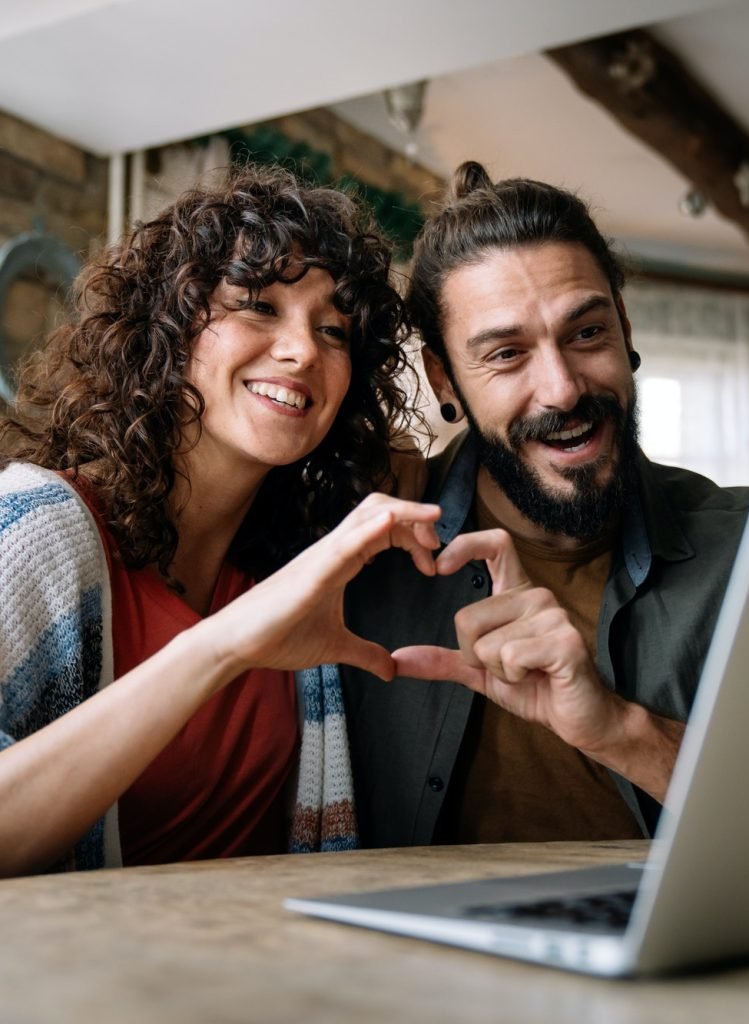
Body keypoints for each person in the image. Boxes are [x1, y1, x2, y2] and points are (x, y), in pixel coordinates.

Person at [0, 165, 441, 877]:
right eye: (259, 307)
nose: (304, 350)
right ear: (168, 330)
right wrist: (222, 647)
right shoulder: (37, 526)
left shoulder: (299, 553)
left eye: (334, 330)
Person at [340, 161, 749, 847]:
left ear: (624, 327)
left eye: (587, 333)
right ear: (444, 377)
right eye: (506, 354)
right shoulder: (364, 558)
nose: (561, 389)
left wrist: (622, 732)